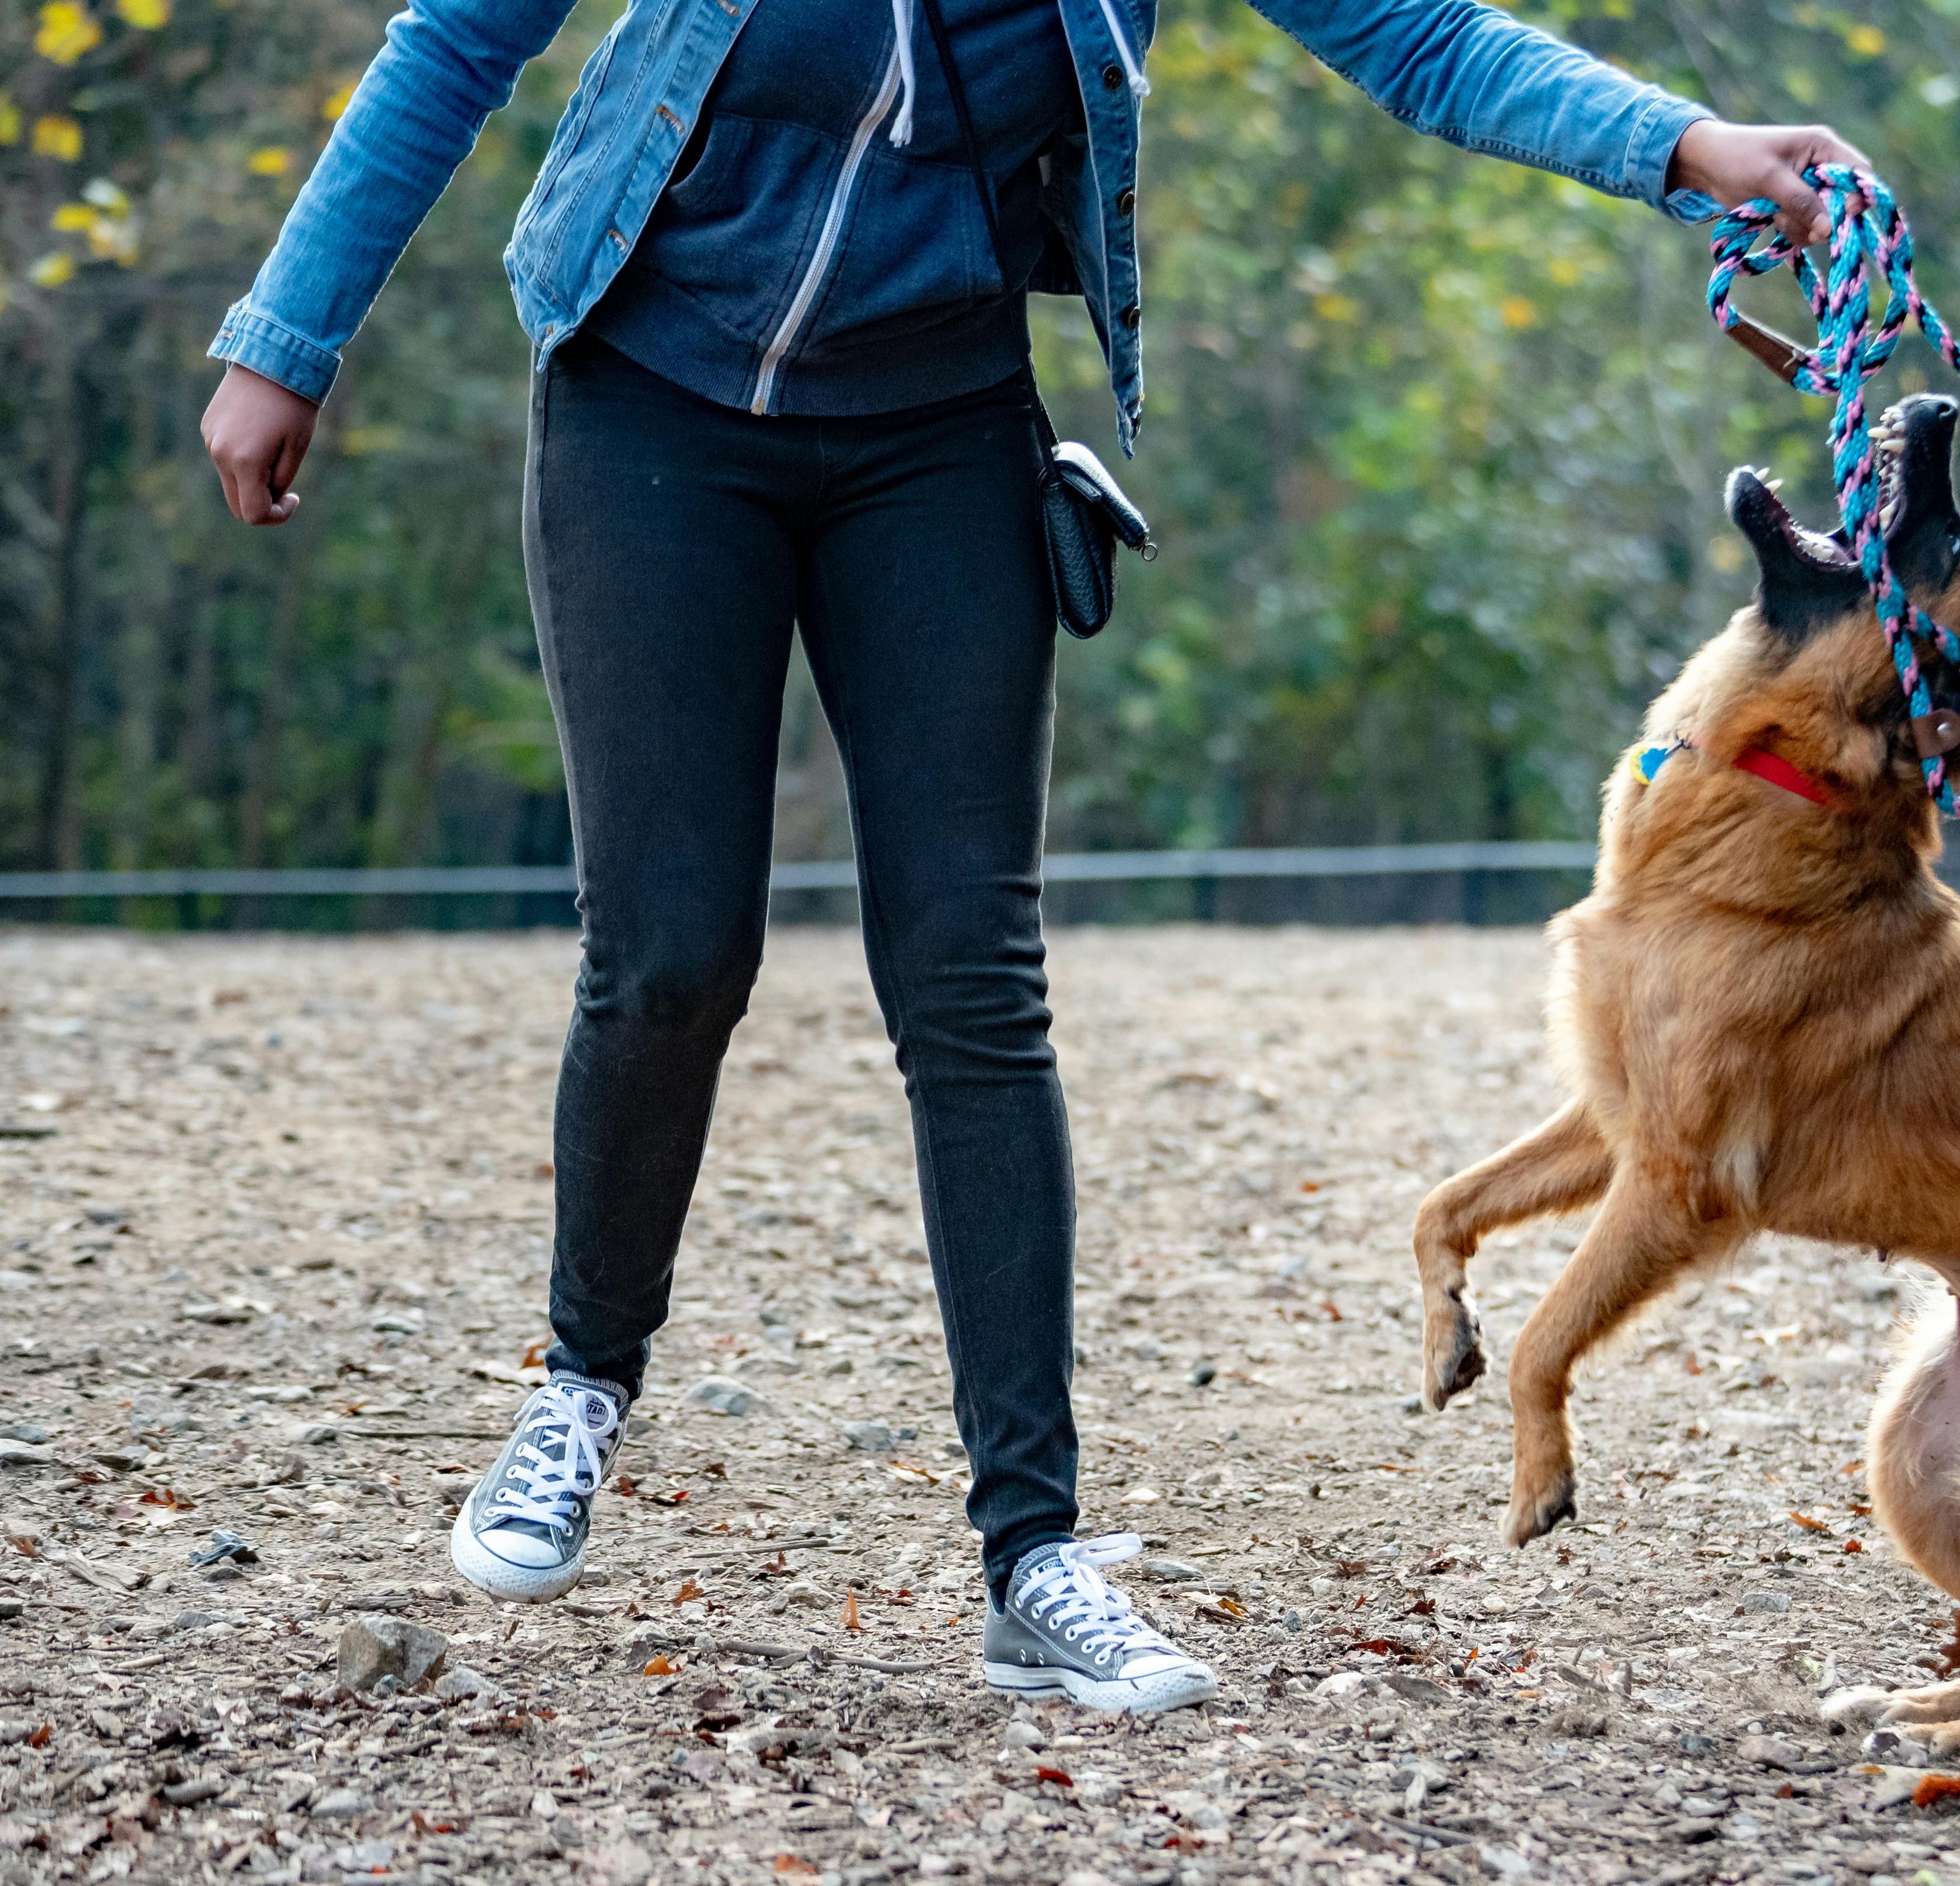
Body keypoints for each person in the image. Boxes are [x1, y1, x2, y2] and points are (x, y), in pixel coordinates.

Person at [198, 0, 1869, 1715]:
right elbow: (456, 42)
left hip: (936, 429)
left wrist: (1689, 148)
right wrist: (288, 339)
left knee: (972, 979)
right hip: (654, 402)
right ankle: (583, 1383)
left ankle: (1033, 1558)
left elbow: (1416, 37)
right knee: (675, 953)